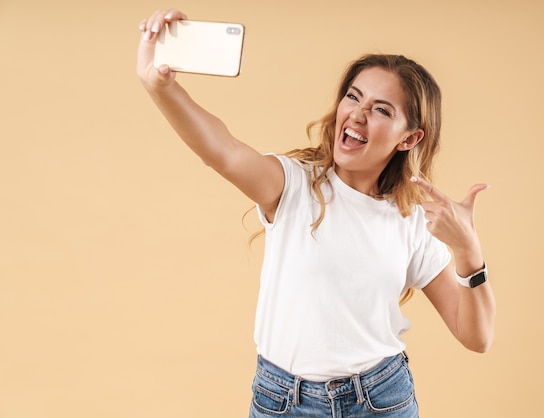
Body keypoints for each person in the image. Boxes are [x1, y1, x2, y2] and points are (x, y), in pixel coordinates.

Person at [138, 9, 496, 418]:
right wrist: (162, 89)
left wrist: (469, 252)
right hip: (282, 401)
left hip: (380, 400)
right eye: (353, 97)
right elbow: (221, 150)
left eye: (382, 110)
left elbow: (476, 337)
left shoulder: (412, 221)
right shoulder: (291, 186)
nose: (358, 114)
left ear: (409, 137)